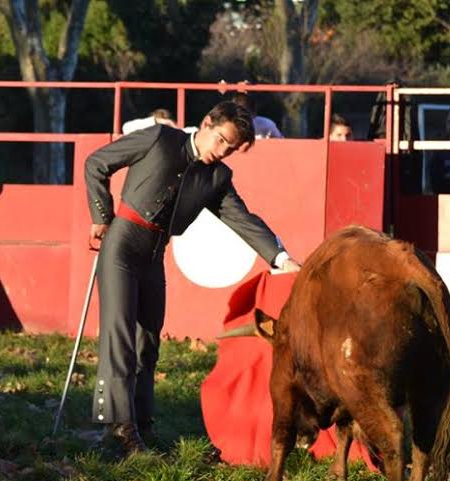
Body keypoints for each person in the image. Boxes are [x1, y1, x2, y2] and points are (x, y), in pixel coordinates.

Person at [84, 100, 301, 452]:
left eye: (231, 148)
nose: (223, 152)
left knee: (148, 343)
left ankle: (142, 422)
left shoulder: (217, 177)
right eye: (220, 140)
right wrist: (101, 215)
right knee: (119, 337)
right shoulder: (158, 138)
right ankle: (118, 427)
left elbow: (243, 219)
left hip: (154, 255)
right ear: (206, 123)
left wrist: (280, 257)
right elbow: (96, 163)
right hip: (121, 245)